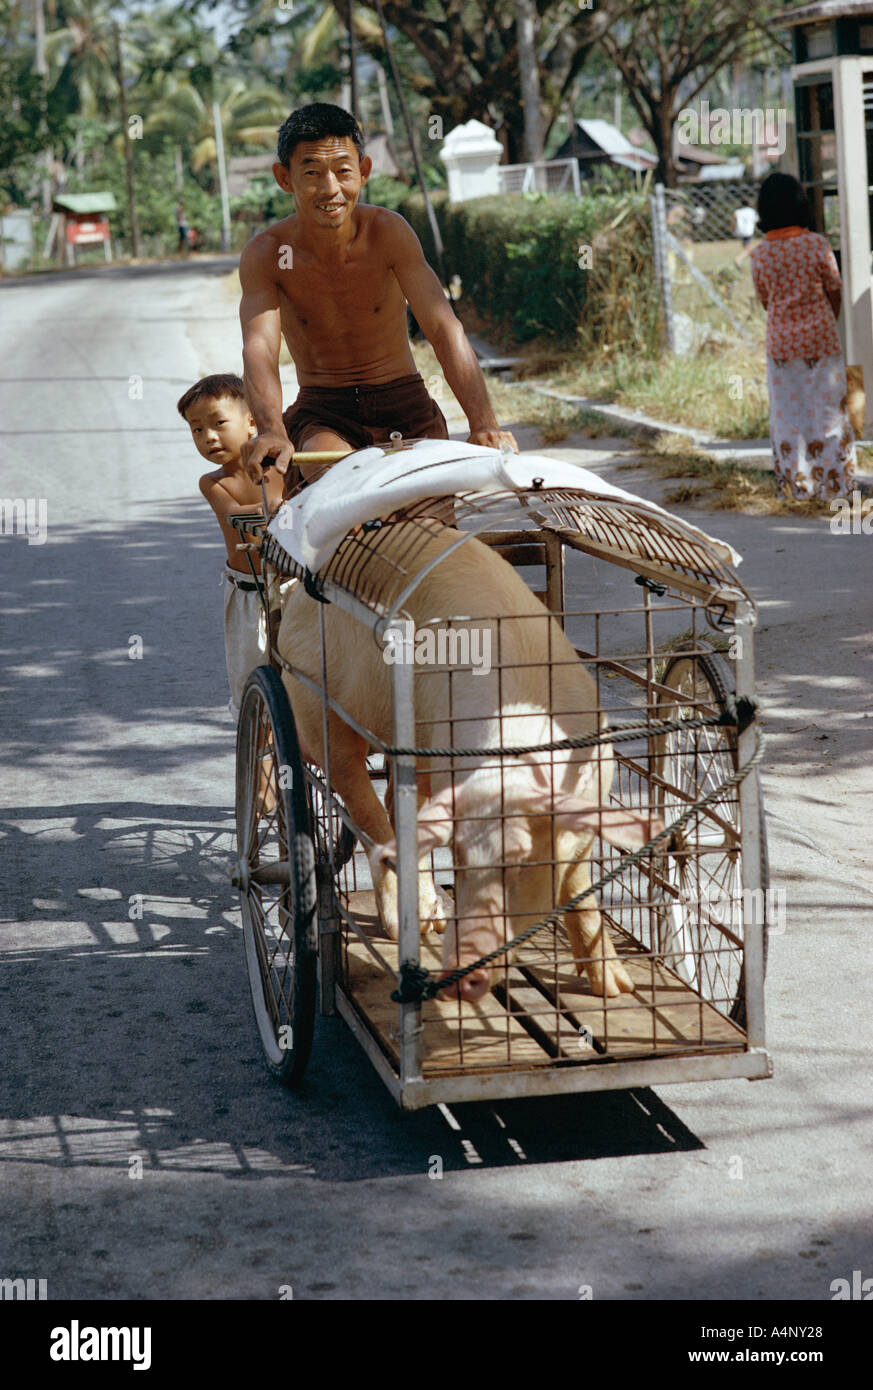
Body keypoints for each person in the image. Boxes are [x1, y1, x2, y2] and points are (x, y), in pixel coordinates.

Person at [237, 103, 518, 492]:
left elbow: (442, 326)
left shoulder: (388, 233)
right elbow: (259, 346)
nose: (330, 188)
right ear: (285, 178)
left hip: (404, 400)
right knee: (336, 485)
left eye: (343, 171)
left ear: (364, 172)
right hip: (324, 410)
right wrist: (270, 430)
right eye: (312, 173)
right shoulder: (267, 254)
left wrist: (484, 424)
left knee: (429, 513)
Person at [177, 373, 291, 716]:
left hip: (294, 584)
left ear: (253, 422)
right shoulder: (213, 482)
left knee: (307, 672)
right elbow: (234, 515)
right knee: (253, 681)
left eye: (218, 423)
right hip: (249, 592)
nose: (208, 436)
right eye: (197, 429)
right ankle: (261, 756)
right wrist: (273, 509)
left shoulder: (284, 466)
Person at [750, 172, 856, 501]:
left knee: (787, 417)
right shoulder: (816, 244)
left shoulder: (759, 254)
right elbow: (834, 291)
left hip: (781, 346)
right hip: (822, 340)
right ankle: (835, 488)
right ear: (801, 204)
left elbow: (766, 300)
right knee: (829, 414)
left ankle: (795, 488)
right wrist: (824, 320)